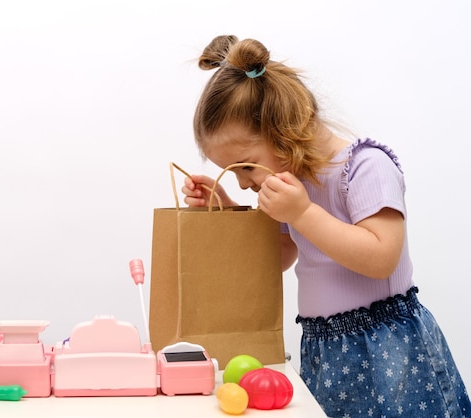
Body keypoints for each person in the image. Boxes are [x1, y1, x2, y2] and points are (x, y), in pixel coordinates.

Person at [181, 34, 470, 417]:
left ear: (283, 129)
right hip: (326, 348)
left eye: (245, 165)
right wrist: (229, 208)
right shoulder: (292, 187)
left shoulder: (363, 167)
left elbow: (381, 256)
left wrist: (302, 214)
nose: (244, 181)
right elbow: (280, 256)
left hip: (387, 348)